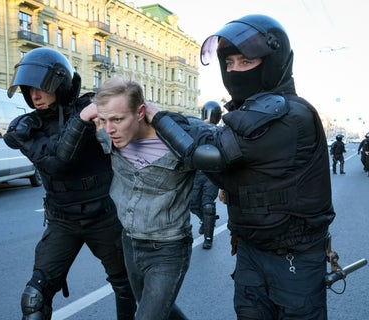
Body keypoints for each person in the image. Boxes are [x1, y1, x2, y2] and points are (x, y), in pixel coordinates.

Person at [147, 14, 336, 319]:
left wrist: (158, 118)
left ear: (272, 61)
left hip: (294, 256)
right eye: (230, 63)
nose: (234, 70)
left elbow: (210, 153)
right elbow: (216, 138)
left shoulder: (289, 114)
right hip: (250, 248)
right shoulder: (248, 112)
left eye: (245, 62)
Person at [2, 48, 136, 320]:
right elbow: (56, 161)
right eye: (29, 89)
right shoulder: (27, 128)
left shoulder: (91, 108)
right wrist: (83, 120)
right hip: (63, 221)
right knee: (34, 298)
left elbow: (133, 118)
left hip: (104, 217)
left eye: (41, 87)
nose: (35, 95)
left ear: (59, 85)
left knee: (132, 289)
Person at [69, 77, 195, 319]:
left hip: (168, 248)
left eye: (117, 119)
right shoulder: (109, 137)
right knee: (158, 311)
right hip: (130, 242)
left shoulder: (178, 142)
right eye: (104, 120)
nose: (109, 129)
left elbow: (221, 162)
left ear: (140, 113)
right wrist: (86, 114)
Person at [190, 100, 222, 249]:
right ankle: (206, 220)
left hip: (212, 174)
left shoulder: (221, 132)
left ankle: (208, 237)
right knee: (193, 204)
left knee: (208, 206)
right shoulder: (195, 127)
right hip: (197, 172)